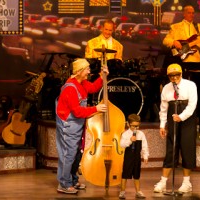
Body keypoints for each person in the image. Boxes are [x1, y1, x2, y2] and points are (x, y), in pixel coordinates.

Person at [55, 58, 108, 194]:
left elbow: (93, 88)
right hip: (69, 125)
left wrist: (102, 77)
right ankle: (64, 184)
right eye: (87, 69)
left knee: (76, 155)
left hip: (77, 124)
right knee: (68, 155)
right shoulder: (70, 88)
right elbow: (78, 112)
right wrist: (95, 108)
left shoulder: (82, 82)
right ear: (79, 72)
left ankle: (72, 180)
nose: (89, 71)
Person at [163, 5, 200, 134]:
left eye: (193, 13)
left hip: (196, 63)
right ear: (184, 14)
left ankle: (198, 122)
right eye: (189, 13)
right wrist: (174, 42)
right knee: (181, 92)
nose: (192, 15)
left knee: (198, 93)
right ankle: (178, 118)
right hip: (182, 63)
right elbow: (166, 40)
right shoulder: (175, 27)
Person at [153, 63, 197, 193]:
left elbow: (192, 105)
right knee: (171, 148)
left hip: (187, 118)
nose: (174, 78)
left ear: (181, 74)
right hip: (173, 115)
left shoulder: (190, 85)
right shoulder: (166, 88)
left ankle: (186, 182)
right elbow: (163, 108)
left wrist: (182, 117)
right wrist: (162, 125)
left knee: (187, 148)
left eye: (176, 75)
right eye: (171, 76)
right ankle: (163, 181)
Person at [119, 114, 149, 199]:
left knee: (137, 174)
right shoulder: (125, 134)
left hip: (137, 157)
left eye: (137, 126)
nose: (136, 128)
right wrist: (130, 140)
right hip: (128, 157)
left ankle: (138, 191)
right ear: (128, 124)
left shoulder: (141, 134)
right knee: (125, 174)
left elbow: (144, 146)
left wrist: (145, 156)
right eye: (133, 126)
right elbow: (122, 145)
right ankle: (122, 191)